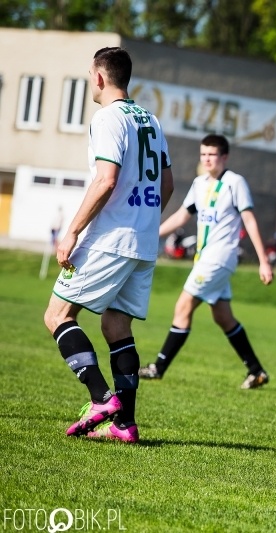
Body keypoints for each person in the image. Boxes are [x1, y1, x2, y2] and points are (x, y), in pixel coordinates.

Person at [42, 47, 174, 444]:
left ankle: (101, 399)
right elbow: (166, 185)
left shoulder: (108, 118)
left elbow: (105, 179)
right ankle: (125, 424)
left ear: (100, 77)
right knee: (116, 324)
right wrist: (143, 220)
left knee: (57, 315)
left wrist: (72, 232)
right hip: (143, 242)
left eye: (89, 74)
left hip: (111, 238)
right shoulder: (151, 120)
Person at [138, 134, 273, 389]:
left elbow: (250, 220)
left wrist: (263, 261)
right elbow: (182, 216)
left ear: (224, 157)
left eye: (212, 154)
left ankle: (158, 367)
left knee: (183, 306)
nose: (207, 159)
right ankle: (257, 371)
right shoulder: (200, 183)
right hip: (205, 259)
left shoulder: (235, 183)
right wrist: (151, 234)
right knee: (223, 317)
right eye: (203, 154)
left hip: (219, 259)